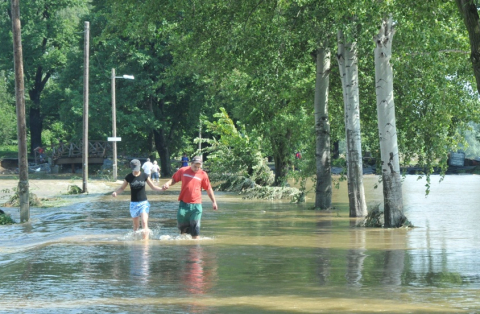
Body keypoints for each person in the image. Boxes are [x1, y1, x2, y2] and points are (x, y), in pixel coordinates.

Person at [162, 156, 218, 239]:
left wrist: (214, 201)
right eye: (195, 166)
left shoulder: (203, 174)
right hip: (183, 204)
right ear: (191, 164)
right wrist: (167, 184)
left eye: (198, 167)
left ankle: (196, 249)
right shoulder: (183, 170)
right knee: (183, 231)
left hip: (196, 205)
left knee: (195, 230)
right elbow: (174, 179)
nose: (196, 168)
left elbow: (208, 189)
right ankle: (185, 247)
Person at [112, 159, 163, 238]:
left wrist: (162, 189)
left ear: (140, 167)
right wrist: (116, 192)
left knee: (144, 222)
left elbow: (153, 187)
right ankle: (136, 245)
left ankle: (145, 244)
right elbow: (122, 188)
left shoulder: (144, 176)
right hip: (133, 204)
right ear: (131, 168)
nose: (136, 170)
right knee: (136, 227)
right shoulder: (128, 177)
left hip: (144, 203)